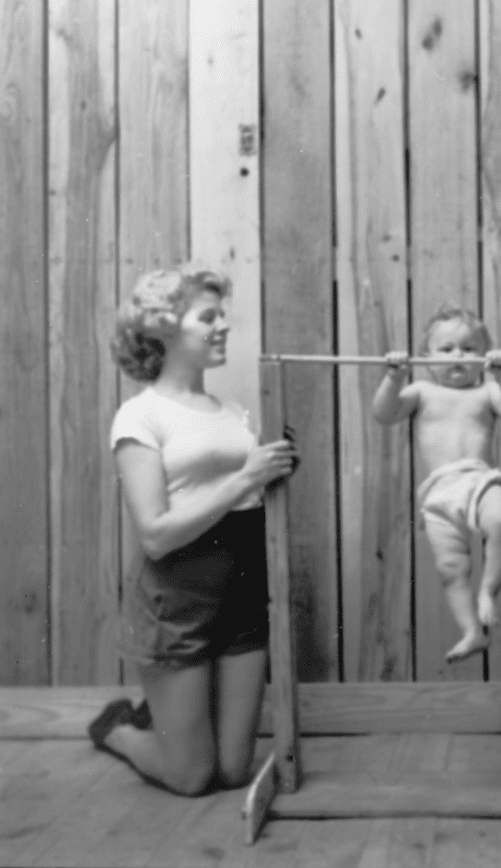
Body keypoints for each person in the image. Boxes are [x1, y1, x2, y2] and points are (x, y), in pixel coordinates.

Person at [87, 262, 299, 795]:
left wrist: (275, 468)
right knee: (192, 777)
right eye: (208, 317)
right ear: (165, 328)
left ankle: (170, 721)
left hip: (244, 596)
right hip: (177, 602)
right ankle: (119, 730)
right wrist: (245, 475)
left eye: (222, 314)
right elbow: (155, 533)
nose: (223, 325)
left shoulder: (235, 413)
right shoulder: (140, 416)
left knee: (232, 773)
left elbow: (248, 495)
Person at [372, 305, 501, 662]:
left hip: (478, 478)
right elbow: (383, 413)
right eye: (447, 349)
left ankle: (488, 590)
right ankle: (472, 631)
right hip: (440, 490)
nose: (458, 355)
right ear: (425, 358)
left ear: (484, 357)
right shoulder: (421, 391)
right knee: (450, 568)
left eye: (469, 348)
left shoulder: (487, 392)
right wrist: (393, 377)